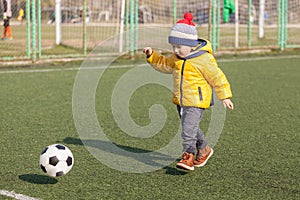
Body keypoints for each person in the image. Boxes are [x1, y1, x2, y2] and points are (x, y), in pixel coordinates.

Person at [143, 13, 234, 171]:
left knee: (187, 129)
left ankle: (188, 156)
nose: (176, 50)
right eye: (174, 47)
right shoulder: (176, 58)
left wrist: (225, 96)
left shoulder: (204, 59)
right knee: (191, 128)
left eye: (180, 47)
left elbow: (217, 77)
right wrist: (152, 56)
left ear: (191, 44)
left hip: (196, 101)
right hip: (181, 101)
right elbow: (164, 64)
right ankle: (204, 149)